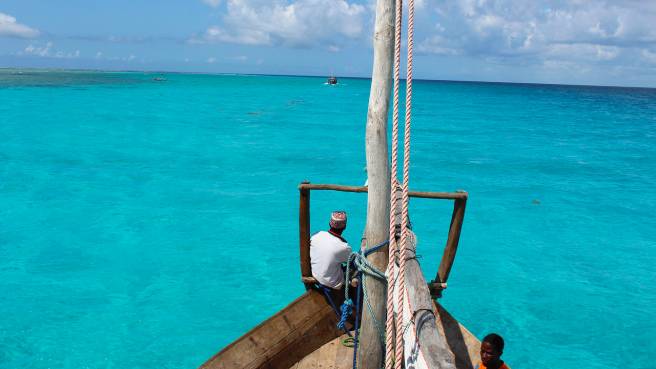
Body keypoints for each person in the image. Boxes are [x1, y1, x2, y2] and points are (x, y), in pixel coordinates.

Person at [310, 211, 352, 290]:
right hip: (331, 284)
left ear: (329, 223)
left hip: (315, 276)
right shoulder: (344, 247)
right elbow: (352, 261)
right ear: (345, 227)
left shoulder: (316, 235)